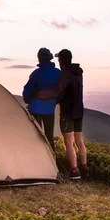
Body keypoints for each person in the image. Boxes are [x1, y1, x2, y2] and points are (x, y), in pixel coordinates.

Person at [35, 49, 87, 180]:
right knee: (79, 141)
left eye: (59, 60)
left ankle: (74, 171)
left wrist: (39, 94)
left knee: (68, 142)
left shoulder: (65, 74)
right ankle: (84, 167)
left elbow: (56, 92)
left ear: (61, 61)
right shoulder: (78, 72)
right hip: (79, 110)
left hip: (68, 112)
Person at [22, 48, 60, 152]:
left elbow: (27, 91)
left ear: (39, 59)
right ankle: (52, 160)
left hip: (35, 109)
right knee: (49, 136)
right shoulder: (57, 73)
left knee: (36, 137)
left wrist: (28, 100)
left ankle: (37, 161)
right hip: (49, 110)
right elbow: (60, 91)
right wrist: (54, 101)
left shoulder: (36, 74)